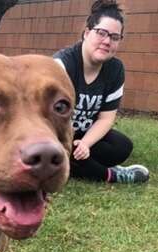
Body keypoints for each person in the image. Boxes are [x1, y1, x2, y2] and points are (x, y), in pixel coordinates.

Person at [54, 0, 149, 184]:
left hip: (83, 135)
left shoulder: (115, 69)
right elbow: (43, 117)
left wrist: (85, 144)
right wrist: (69, 142)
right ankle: (111, 175)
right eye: (101, 33)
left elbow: (105, 118)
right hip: (56, 135)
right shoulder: (62, 65)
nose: (107, 41)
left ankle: (73, 166)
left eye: (114, 37)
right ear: (87, 32)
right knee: (60, 152)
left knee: (121, 146)